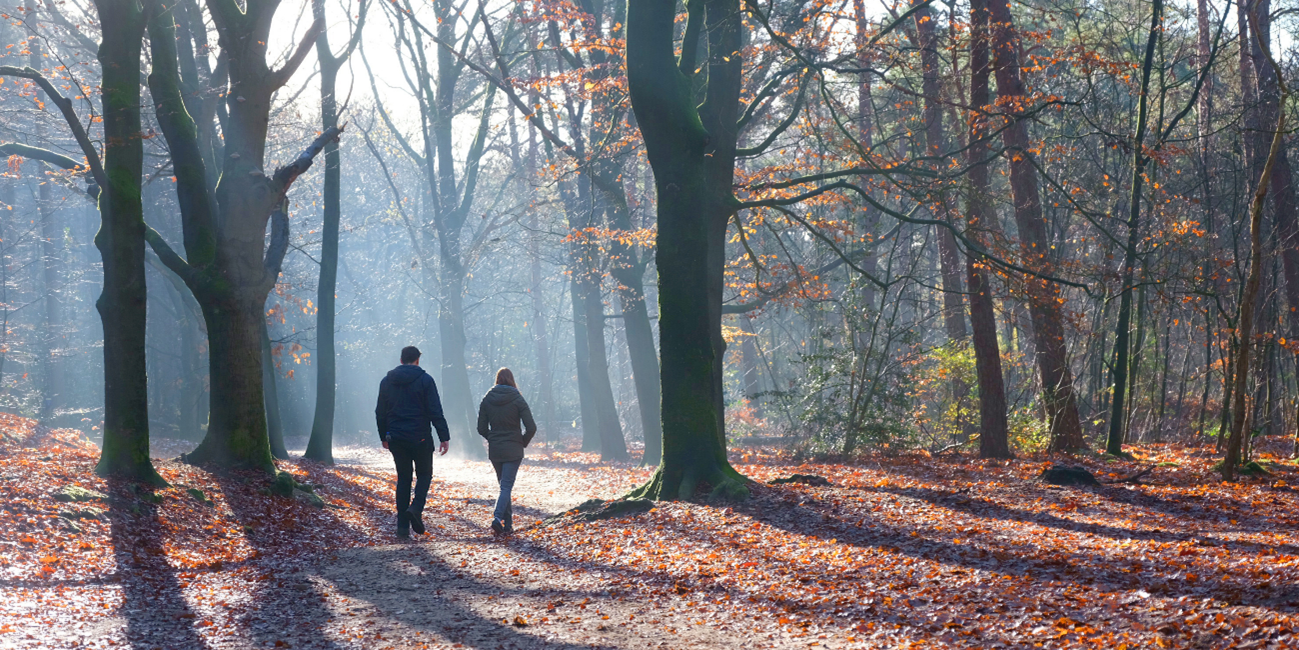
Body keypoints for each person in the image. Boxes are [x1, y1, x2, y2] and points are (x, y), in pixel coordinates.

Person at [375, 346, 450, 538]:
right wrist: (444, 436)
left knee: (404, 478)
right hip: (420, 437)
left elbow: (380, 412)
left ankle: (402, 528)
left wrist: (383, 436)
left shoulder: (386, 381)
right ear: (417, 360)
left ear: (401, 360)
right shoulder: (425, 380)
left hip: (396, 438)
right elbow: (435, 410)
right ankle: (416, 508)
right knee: (424, 474)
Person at [476, 368, 537, 535]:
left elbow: (481, 428)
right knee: (506, 486)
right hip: (513, 448)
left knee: (504, 485)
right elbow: (531, 427)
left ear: (497, 379)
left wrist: (492, 438)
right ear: (512, 380)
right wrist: (521, 442)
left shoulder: (487, 399)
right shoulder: (517, 399)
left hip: (496, 449)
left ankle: (508, 525)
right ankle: (497, 518)